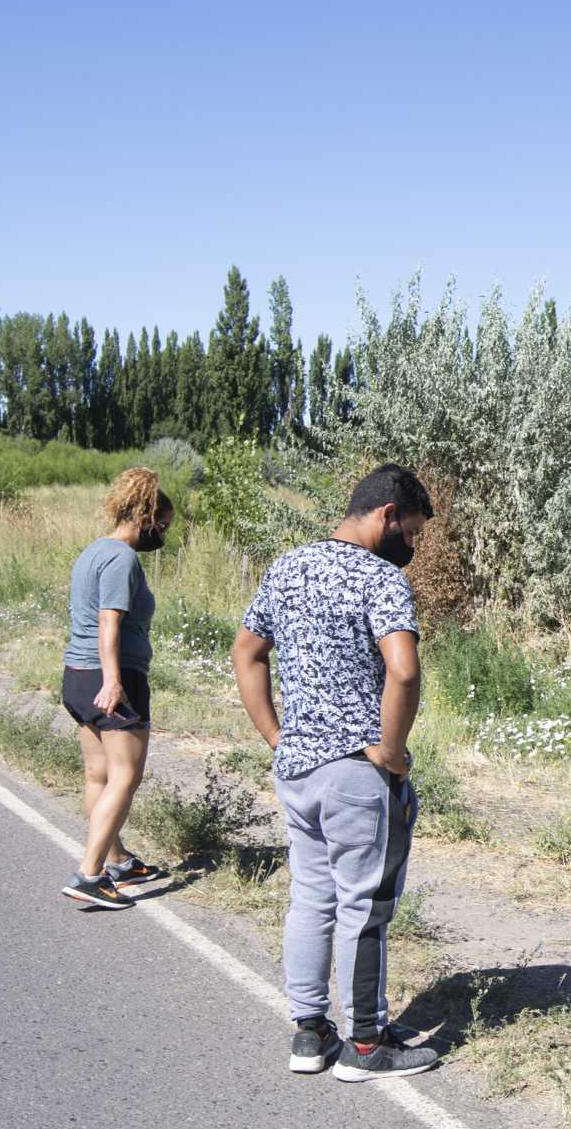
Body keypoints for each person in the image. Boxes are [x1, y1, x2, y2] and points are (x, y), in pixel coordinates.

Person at [232, 463, 441, 1082]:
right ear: (388, 516)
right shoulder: (378, 579)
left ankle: (310, 1031)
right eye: (416, 532)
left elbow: (247, 652)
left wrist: (277, 736)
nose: (415, 547)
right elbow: (402, 671)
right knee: (364, 906)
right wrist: (392, 750)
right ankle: (367, 1045)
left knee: (312, 898)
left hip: (297, 770)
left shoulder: (287, 567)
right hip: (355, 770)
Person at [58, 466, 175, 910]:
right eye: (162, 527)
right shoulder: (122, 558)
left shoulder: (92, 551)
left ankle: (118, 859)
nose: (162, 536)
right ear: (145, 517)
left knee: (98, 775)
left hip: (77, 674)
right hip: (111, 677)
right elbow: (109, 621)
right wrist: (114, 681)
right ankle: (89, 874)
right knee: (125, 776)